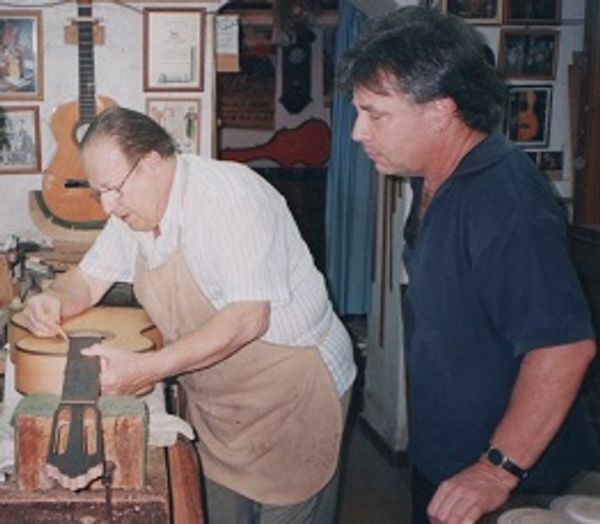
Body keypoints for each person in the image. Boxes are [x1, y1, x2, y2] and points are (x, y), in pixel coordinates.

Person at [23, 106, 356, 523]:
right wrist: (54, 297)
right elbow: (87, 281)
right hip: (223, 408)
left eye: (114, 189)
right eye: (98, 192)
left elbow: (248, 318)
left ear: (151, 163)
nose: (108, 206)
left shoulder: (229, 200)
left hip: (292, 396)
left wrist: (147, 368)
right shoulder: (133, 212)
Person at [339, 6, 599, 524]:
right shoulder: (433, 177)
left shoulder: (503, 202)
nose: (357, 133)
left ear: (440, 112)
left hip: (517, 482)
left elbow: (564, 347)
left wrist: (496, 469)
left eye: (376, 114)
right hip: (449, 462)